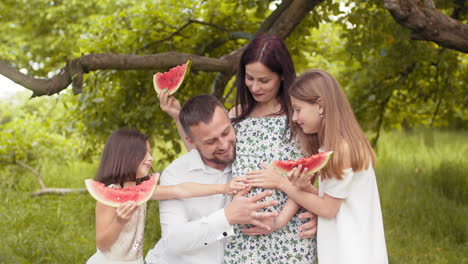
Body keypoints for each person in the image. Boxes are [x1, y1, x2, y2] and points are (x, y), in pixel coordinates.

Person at [156, 34, 318, 264]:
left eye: (264, 80)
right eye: (250, 78)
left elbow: (310, 172)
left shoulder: (297, 115)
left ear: (282, 75)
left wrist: (281, 219)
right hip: (242, 234)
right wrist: (177, 116)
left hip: (288, 230)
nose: (255, 86)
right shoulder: (236, 115)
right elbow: (207, 150)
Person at [246, 69, 389, 264]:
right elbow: (337, 201)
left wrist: (281, 183)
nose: (295, 118)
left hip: (352, 253)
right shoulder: (336, 146)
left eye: (298, 109)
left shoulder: (341, 149)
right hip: (350, 249)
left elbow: (328, 209)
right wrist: (307, 189)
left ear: (320, 106)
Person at [145, 95, 280, 264]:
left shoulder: (248, 159)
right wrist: (227, 216)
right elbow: (173, 242)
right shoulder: (176, 174)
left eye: (226, 132)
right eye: (211, 142)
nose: (224, 145)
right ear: (191, 142)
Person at [86, 128, 248, 264]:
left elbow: (180, 190)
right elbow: (102, 244)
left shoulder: (142, 190)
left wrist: (224, 187)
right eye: (145, 153)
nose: (151, 158)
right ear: (127, 155)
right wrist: (119, 221)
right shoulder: (108, 197)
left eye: (150, 152)